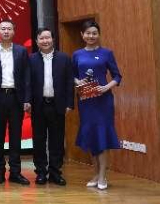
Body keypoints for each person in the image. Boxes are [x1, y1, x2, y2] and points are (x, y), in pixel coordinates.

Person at [73, 20, 122, 190]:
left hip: (103, 101)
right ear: (82, 35)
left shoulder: (107, 53)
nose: (91, 36)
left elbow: (117, 76)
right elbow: (72, 75)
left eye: (94, 33)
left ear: (98, 35)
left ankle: (102, 176)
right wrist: (78, 82)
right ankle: (95, 173)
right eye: (88, 33)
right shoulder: (77, 54)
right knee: (91, 135)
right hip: (86, 101)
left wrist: (106, 87)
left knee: (102, 135)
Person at [0, 19, 32, 185]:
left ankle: (15, 172)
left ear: (14, 31)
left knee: (15, 136)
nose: (6, 31)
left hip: (16, 98)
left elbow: (27, 76)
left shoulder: (21, 51)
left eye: (9, 29)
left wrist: (27, 99)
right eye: (3, 29)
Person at [30, 27, 74, 186]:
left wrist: (69, 103)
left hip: (57, 104)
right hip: (38, 105)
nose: (45, 41)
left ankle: (55, 172)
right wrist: (27, 101)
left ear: (53, 39)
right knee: (39, 140)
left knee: (57, 140)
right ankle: (41, 172)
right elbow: (27, 82)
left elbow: (69, 82)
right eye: (41, 38)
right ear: (37, 41)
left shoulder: (64, 58)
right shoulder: (31, 59)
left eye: (48, 38)